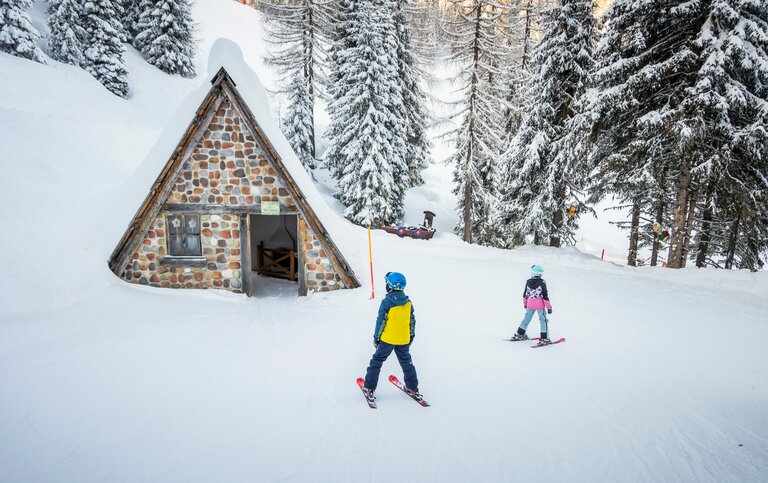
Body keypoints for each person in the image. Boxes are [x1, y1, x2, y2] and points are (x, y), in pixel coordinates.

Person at [362, 272, 421, 401]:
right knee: (406, 362)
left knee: (377, 361)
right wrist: (411, 336)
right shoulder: (408, 302)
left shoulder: (386, 302)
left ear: (389, 286)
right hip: (403, 339)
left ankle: (369, 388)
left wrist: (376, 338)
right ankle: (413, 388)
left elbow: (381, 321)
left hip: (387, 339)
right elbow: (412, 321)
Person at [510, 264, 553, 346]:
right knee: (543, 320)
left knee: (527, 318)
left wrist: (525, 303)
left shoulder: (528, 281)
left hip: (530, 304)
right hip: (540, 305)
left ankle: (520, 334)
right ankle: (544, 338)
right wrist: (549, 307)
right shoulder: (542, 283)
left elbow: (525, 294)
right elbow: (545, 296)